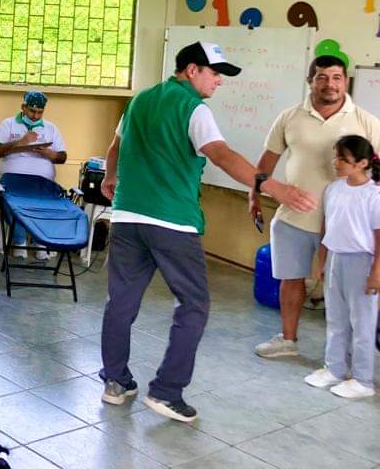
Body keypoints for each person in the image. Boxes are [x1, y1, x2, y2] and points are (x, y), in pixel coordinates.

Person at [98, 41, 315, 423]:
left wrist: (110, 176)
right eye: (214, 73)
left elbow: (116, 145)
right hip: (172, 222)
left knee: (121, 302)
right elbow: (221, 154)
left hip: (127, 216)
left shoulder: (140, 100)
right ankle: (166, 392)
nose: (219, 81)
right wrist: (273, 186)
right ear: (191, 70)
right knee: (194, 305)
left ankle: (115, 382)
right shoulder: (193, 108)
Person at [251, 55, 380, 359]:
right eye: (322, 77)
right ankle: (287, 339)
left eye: (336, 77)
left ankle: (348, 353)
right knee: (290, 279)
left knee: (346, 289)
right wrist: (253, 196)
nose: (330, 84)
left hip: (346, 227)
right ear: (310, 81)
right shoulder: (289, 117)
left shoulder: (365, 121)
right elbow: (266, 163)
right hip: (293, 218)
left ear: (345, 81)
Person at [303, 136, 380, 399]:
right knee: (335, 318)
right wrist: (322, 262)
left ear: (362, 163)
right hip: (335, 258)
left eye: (343, 159)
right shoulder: (333, 189)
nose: (336, 163)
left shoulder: (374, 195)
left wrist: (376, 273)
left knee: (362, 323)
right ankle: (335, 368)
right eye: (336, 157)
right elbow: (326, 227)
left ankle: (363, 380)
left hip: (362, 262)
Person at [0, 90, 67, 258]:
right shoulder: (8, 124)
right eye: (32, 111)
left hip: (42, 181)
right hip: (13, 180)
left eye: (40, 112)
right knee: (9, 202)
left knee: (50, 202)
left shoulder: (51, 128)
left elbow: (62, 157)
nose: (35, 116)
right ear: (23, 107)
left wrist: (50, 154)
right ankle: (20, 242)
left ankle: (41, 241)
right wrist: (20, 142)